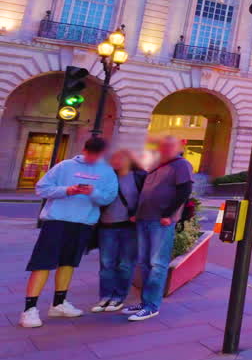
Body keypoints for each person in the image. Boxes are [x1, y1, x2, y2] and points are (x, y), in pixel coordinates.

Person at [21, 137, 118, 328]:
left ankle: (58, 304)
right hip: (57, 221)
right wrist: (67, 190)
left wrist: (92, 192)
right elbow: (41, 188)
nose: (92, 158)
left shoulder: (107, 172)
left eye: (96, 155)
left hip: (82, 223)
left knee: (68, 263)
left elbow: (108, 198)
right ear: (84, 149)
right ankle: (29, 309)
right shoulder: (64, 166)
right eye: (90, 153)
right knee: (42, 264)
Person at [126, 136, 193, 322]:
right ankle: (144, 302)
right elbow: (145, 191)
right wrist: (136, 213)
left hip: (160, 221)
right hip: (144, 218)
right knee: (145, 262)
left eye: (168, 146)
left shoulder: (181, 165)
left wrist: (168, 214)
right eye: (162, 146)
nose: (163, 149)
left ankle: (151, 306)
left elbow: (184, 190)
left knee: (157, 264)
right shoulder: (157, 165)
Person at [92, 150, 146, 313]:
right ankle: (105, 297)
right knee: (106, 263)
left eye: (120, 158)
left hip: (130, 227)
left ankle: (119, 297)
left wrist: (138, 214)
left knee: (125, 264)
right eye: (113, 158)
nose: (116, 161)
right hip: (107, 225)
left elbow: (147, 198)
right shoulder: (106, 176)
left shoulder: (139, 176)